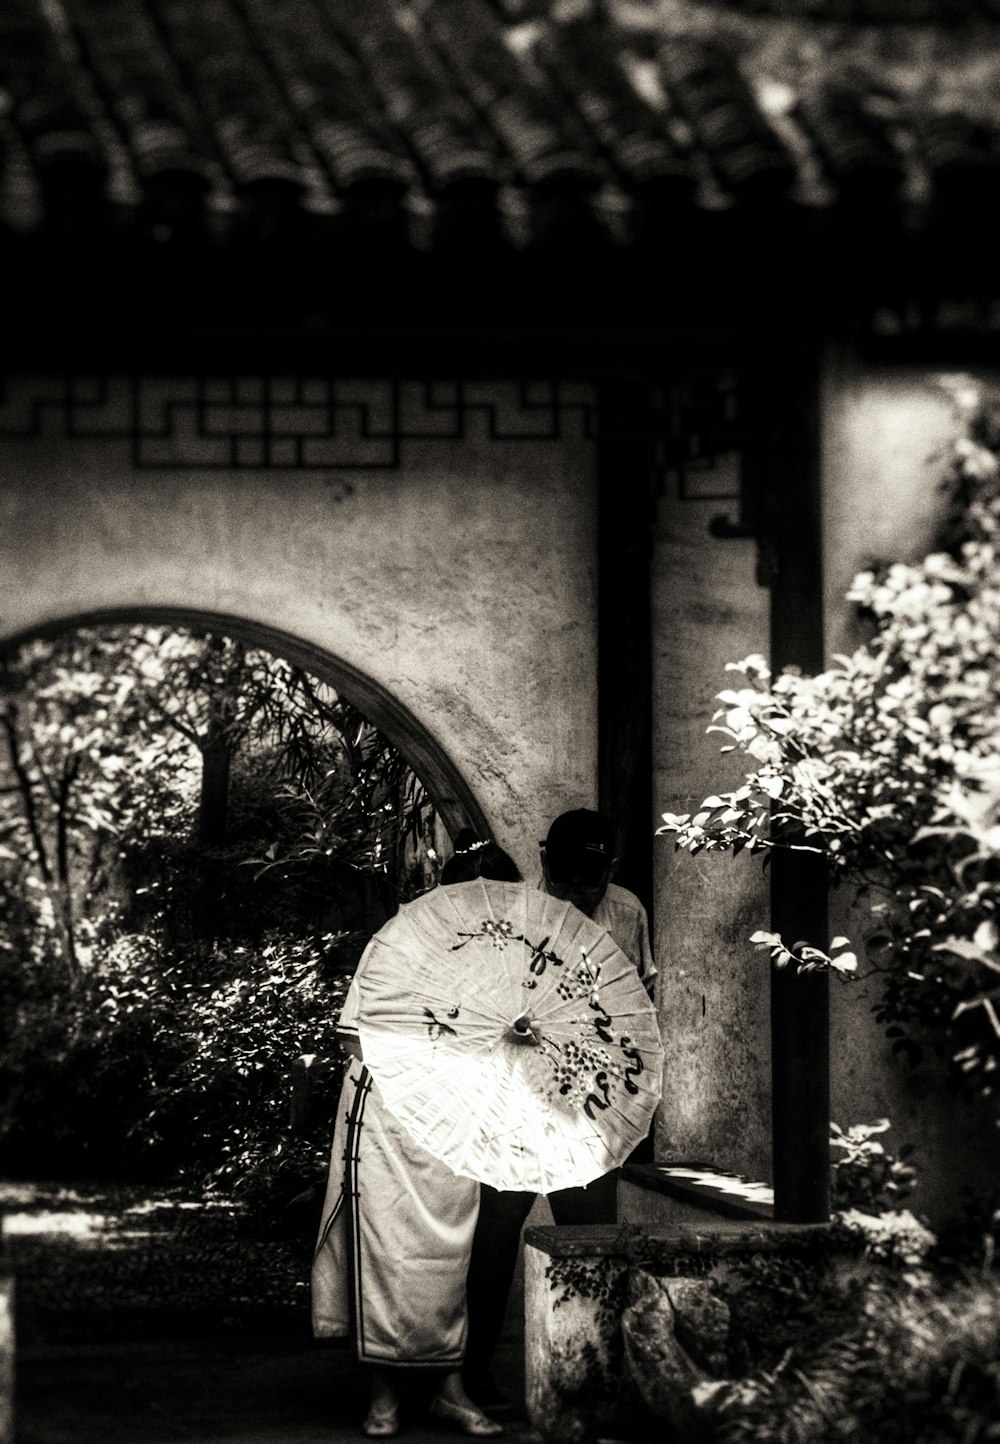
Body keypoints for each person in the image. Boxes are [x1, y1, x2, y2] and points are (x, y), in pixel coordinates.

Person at [311, 838, 520, 1438]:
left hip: (462, 1116)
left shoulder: (513, 960)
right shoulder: (399, 940)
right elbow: (355, 1038)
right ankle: (384, 1395)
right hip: (387, 1115)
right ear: (447, 897)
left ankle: (449, 1389)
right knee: (387, 1251)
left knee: (451, 1253)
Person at [462, 809, 656, 1411]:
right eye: (565, 880)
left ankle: (596, 1378)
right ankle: (471, 1378)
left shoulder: (627, 912)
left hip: (588, 1108)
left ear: (611, 872)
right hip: (514, 1105)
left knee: (593, 1241)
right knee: (492, 1242)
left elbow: (641, 1007)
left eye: (589, 884)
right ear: (544, 862)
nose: (576, 894)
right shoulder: (512, 913)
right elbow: (479, 1000)